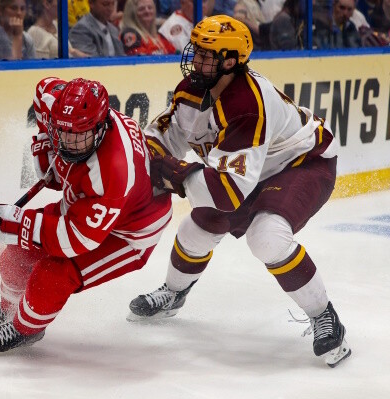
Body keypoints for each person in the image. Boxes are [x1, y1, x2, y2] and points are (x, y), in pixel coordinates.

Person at [128, 15, 351, 368]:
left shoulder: (247, 103)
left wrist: (176, 172)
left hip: (303, 164)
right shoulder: (191, 90)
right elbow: (163, 138)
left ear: (230, 61)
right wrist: (148, 154)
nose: (196, 59)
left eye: (206, 55)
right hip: (250, 171)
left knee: (267, 237)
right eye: (197, 51)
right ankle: (174, 293)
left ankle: (324, 315)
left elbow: (227, 193)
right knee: (195, 229)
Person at [0, 77, 173, 352]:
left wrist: (18, 225)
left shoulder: (113, 171)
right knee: (15, 256)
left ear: (100, 128)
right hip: (89, 208)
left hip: (130, 230)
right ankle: (11, 309)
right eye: (62, 132)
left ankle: (24, 328)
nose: (68, 142)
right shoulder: (70, 113)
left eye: (78, 135)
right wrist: (43, 140)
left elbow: (75, 240)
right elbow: (43, 90)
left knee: (53, 274)